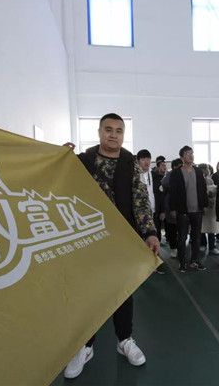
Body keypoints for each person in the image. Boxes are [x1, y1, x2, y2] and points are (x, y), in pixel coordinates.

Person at [64, 113, 160, 379]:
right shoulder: (83, 161)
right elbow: (60, 185)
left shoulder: (130, 164)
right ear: (99, 132)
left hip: (122, 239)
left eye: (119, 130)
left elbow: (140, 200)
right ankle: (85, 346)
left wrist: (150, 232)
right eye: (108, 129)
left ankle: (124, 340)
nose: (113, 135)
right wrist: (59, 158)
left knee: (123, 291)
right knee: (88, 293)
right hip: (89, 238)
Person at [170, 146, 209, 272]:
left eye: (192, 153)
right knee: (182, 238)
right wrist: (173, 209)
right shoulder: (176, 173)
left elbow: (203, 189)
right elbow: (173, 192)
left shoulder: (198, 171)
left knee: (197, 237)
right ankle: (182, 263)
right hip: (183, 210)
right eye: (187, 154)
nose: (191, 156)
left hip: (197, 210)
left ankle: (195, 261)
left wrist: (204, 205)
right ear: (182, 157)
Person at [137, 149, 167, 274]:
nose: (146, 162)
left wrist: (163, 211)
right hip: (139, 215)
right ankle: (143, 263)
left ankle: (155, 261)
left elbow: (161, 195)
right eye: (143, 159)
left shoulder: (156, 176)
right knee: (140, 238)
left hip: (155, 212)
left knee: (156, 236)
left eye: (148, 159)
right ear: (138, 161)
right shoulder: (134, 176)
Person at [198, 163, 219, 255]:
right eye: (207, 168)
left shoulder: (210, 180)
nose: (209, 170)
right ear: (203, 170)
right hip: (202, 206)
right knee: (202, 226)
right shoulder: (198, 180)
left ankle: (212, 246)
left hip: (211, 208)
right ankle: (203, 243)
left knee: (211, 227)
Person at [162, 158, 183, 258]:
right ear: (174, 167)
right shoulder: (169, 175)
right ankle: (174, 248)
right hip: (170, 204)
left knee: (182, 229)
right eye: (180, 166)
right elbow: (164, 184)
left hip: (182, 205)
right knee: (172, 228)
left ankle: (181, 248)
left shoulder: (185, 173)